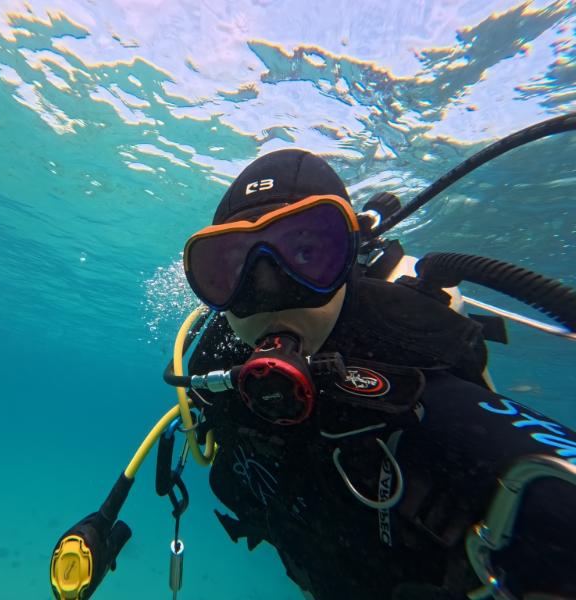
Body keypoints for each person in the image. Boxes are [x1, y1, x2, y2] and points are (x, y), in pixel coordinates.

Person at [180, 148, 576, 600]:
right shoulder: (215, 375)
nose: (269, 291)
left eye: (306, 253)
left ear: (347, 261)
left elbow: (545, 477)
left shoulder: (419, 376)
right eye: (235, 268)